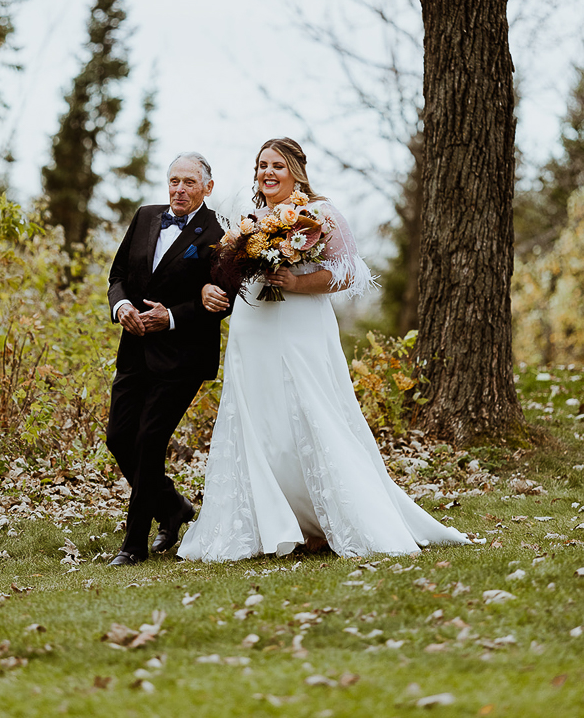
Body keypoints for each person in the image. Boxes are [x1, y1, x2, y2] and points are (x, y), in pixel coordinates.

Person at [178, 137, 469, 561]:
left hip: (300, 327)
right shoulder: (249, 221)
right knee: (259, 418)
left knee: (309, 410)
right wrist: (213, 283)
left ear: (296, 169)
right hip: (252, 328)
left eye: (277, 165)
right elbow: (225, 273)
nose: (267, 173)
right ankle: (274, 522)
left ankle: (325, 519)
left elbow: (348, 274)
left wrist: (296, 283)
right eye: (262, 165)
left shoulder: (321, 214)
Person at [106, 152, 225, 566]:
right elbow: (117, 275)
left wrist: (172, 316)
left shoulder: (219, 236)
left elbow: (220, 302)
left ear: (207, 188)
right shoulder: (145, 216)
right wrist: (120, 308)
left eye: (189, 182)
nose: (179, 189)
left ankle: (134, 544)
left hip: (183, 357)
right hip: (134, 348)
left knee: (149, 440)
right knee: (119, 438)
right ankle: (173, 508)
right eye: (174, 180)